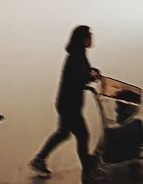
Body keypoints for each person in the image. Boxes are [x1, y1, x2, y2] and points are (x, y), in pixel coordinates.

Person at [30, 25, 99, 179]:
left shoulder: (79, 53)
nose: (92, 39)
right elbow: (78, 78)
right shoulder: (75, 57)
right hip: (70, 106)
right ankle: (87, 167)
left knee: (63, 133)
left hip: (66, 103)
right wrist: (90, 77)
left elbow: (84, 71)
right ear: (83, 39)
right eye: (90, 36)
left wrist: (92, 72)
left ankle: (39, 158)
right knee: (82, 135)